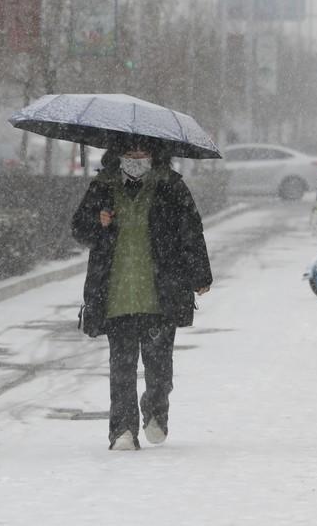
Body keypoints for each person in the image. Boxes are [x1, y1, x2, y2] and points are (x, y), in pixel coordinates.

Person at [71, 138, 212, 451]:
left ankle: (156, 413)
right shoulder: (103, 186)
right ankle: (121, 429)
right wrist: (98, 222)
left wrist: (199, 274)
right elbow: (79, 229)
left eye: (142, 152)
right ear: (117, 155)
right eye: (129, 152)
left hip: (160, 292)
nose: (136, 158)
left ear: (155, 155)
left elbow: (191, 230)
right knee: (121, 366)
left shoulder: (171, 186)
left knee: (159, 365)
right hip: (116, 291)